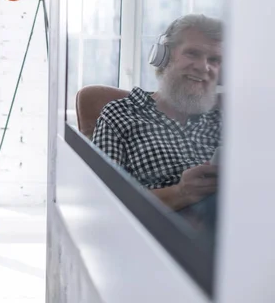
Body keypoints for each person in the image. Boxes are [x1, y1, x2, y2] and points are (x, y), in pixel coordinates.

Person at [92, 14, 222, 228]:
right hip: (156, 242)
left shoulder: (224, 122)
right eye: (193, 53)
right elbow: (103, 202)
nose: (203, 67)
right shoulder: (120, 114)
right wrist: (180, 192)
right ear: (164, 57)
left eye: (214, 60)